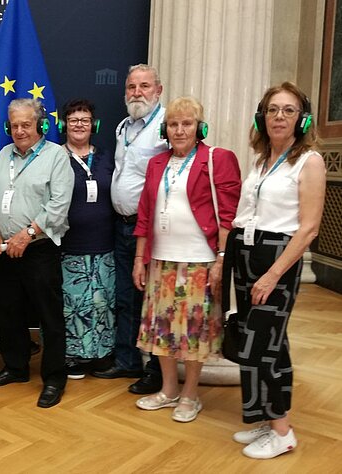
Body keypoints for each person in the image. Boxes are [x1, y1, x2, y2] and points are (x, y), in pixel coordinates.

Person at [226, 82, 325, 459]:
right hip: (247, 252)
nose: (279, 117)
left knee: (261, 345)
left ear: (303, 119)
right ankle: (266, 419)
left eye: (288, 110)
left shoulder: (309, 161)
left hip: (278, 259)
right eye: (272, 110)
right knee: (267, 342)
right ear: (261, 117)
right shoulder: (261, 160)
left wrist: (272, 275)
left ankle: (282, 432)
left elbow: (309, 228)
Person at [132, 96, 241, 422]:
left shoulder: (218, 159)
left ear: (199, 128)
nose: (179, 130)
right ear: (165, 130)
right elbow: (144, 214)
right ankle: (168, 390)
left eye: (187, 124)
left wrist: (222, 259)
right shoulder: (156, 164)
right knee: (162, 330)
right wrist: (139, 258)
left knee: (194, 332)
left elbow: (228, 216)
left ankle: (190, 395)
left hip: (200, 261)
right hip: (161, 260)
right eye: (173, 124)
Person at [0, 98, 74, 408]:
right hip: (7, 249)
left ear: (40, 125)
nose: (19, 131)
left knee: (49, 316)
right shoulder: (4, 154)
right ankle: (16, 368)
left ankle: (54, 378)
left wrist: (29, 233)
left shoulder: (56, 156)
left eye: (26, 125)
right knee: (10, 310)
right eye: (14, 125)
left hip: (39, 249)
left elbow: (58, 206)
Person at [93, 64, 168, 396]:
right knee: (125, 297)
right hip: (121, 224)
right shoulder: (123, 127)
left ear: (158, 90)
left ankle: (156, 369)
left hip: (151, 229)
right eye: (132, 87)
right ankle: (127, 360)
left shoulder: (166, 126)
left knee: (153, 300)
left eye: (144, 86)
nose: (137, 92)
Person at [59, 99, 116, 379]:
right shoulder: (56, 157)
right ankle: (72, 356)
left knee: (102, 302)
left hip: (104, 243)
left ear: (94, 125)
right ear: (64, 125)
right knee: (72, 304)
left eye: (85, 120)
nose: (79, 125)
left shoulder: (107, 157)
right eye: (73, 120)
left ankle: (101, 355)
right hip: (69, 246)